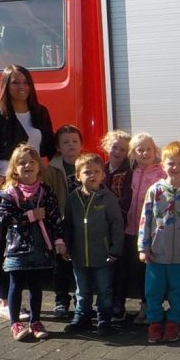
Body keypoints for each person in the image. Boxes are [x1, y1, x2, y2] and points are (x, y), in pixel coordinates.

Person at [0, 64, 55, 322]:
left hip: (34, 186)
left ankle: (15, 298)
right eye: (15, 83)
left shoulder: (40, 112)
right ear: (6, 86)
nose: (21, 87)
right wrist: (2, 184)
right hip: (7, 188)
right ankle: (2, 297)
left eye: (25, 82)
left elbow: (48, 147)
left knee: (33, 240)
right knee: (4, 243)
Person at [0, 144, 65, 341]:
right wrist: (30, 215)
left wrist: (58, 239)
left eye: (32, 161)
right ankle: (15, 323)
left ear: (38, 166)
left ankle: (35, 320)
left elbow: (54, 218)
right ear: (14, 169)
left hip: (39, 248)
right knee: (16, 284)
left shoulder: (45, 192)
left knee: (36, 285)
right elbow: (5, 218)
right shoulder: (9, 193)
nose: (28, 165)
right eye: (22, 163)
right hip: (17, 249)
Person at [138, 141, 180, 344]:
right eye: (171, 163)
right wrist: (143, 247)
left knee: (178, 291)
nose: (175, 168)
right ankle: (155, 323)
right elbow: (145, 219)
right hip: (157, 253)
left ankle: (174, 322)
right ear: (163, 164)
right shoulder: (155, 190)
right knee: (153, 290)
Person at [63, 154, 124, 337]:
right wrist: (66, 245)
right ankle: (82, 318)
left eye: (97, 172)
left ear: (103, 175)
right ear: (77, 175)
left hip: (103, 255)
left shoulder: (108, 198)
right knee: (82, 290)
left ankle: (104, 320)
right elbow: (67, 224)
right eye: (87, 172)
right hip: (79, 255)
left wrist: (115, 249)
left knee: (105, 290)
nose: (92, 175)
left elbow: (117, 224)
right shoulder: (73, 198)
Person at [124, 132, 165, 325]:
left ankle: (155, 306)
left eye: (149, 149)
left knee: (154, 270)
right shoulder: (133, 172)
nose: (145, 153)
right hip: (133, 228)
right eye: (140, 149)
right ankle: (145, 305)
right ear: (133, 153)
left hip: (153, 229)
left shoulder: (160, 172)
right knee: (140, 271)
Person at [49, 124, 84, 318]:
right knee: (60, 265)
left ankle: (82, 298)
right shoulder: (52, 169)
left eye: (74, 141)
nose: (70, 145)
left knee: (81, 262)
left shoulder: (89, 165)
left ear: (81, 145)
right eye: (65, 142)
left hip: (83, 222)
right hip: (61, 223)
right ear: (58, 147)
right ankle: (61, 300)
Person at [100, 129, 133, 322]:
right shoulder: (100, 169)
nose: (118, 152)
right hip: (102, 227)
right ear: (106, 146)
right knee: (106, 266)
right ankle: (106, 302)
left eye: (123, 149)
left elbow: (128, 199)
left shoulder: (129, 173)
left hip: (121, 226)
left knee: (121, 266)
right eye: (114, 147)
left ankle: (118, 304)